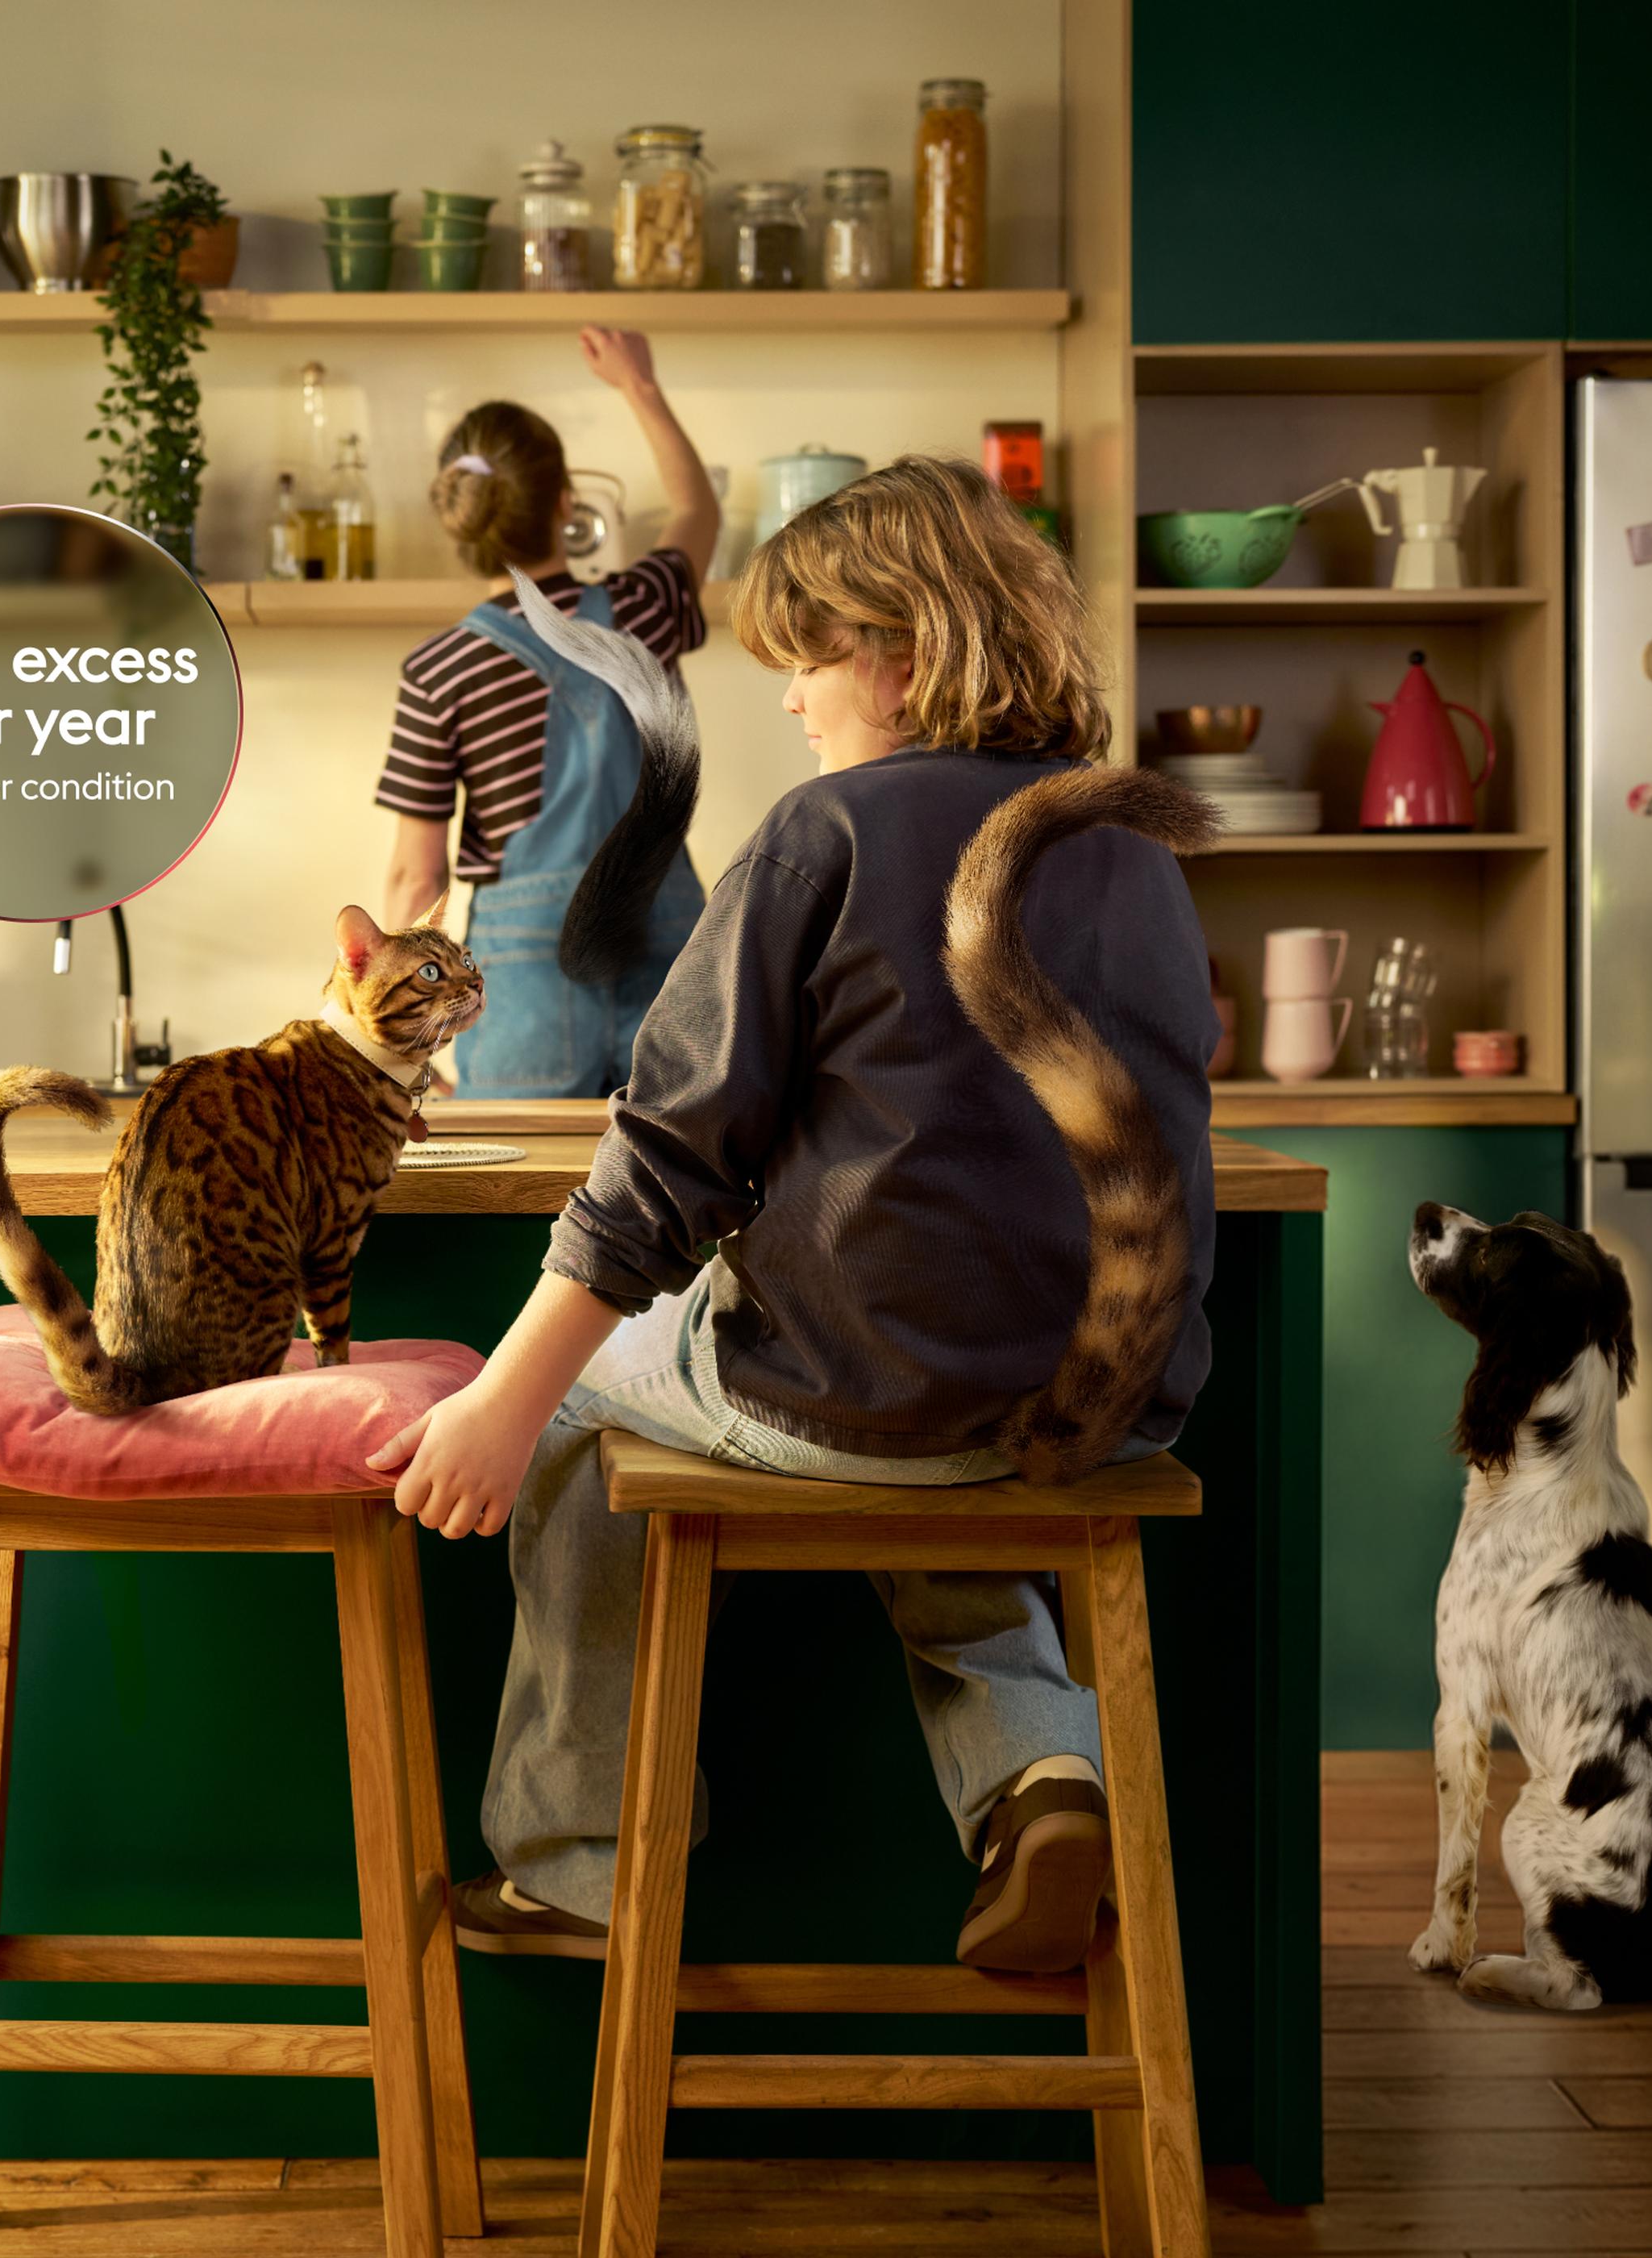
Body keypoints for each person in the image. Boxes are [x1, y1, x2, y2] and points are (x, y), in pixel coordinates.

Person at [366, 457, 1221, 1973]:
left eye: (811, 657)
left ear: (899, 648)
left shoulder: (828, 832)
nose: (791, 699)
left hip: (870, 1390)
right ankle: (1042, 1774)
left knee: (592, 1412)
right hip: (1095, 1402)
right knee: (921, 1448)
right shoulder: (1132, 844)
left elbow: (670, 1162)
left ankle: (577, 1869)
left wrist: (508, 1399)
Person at [372, 327, 721, 1098]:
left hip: (523, 996)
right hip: (671, 971)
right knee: (681, 1198)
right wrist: (639, 385)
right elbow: (697, 511)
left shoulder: (440, 671)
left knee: (530, 1204)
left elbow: (414, 875)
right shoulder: (641, 608)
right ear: (566, 503)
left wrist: (396, 1050)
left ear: (461, 522)